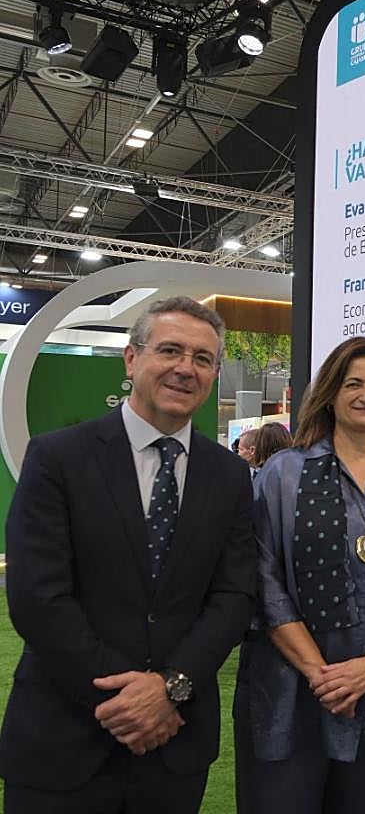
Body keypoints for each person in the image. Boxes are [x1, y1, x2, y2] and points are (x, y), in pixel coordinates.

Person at [0, 296, 257, 814]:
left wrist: (169, 689)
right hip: (63, 738)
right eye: (170, 350)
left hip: (174, 743)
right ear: (132, 359)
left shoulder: (229, 476)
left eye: (203, 359)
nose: (186, 368)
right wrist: (127, 701)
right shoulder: (58, 458)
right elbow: (37, 596)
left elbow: (234, 595)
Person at [233, 336, 365, 814]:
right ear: (330, 393)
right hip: (291, 696)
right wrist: (325, 677)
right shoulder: (282, 475)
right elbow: (263, 579)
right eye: (353, 383)